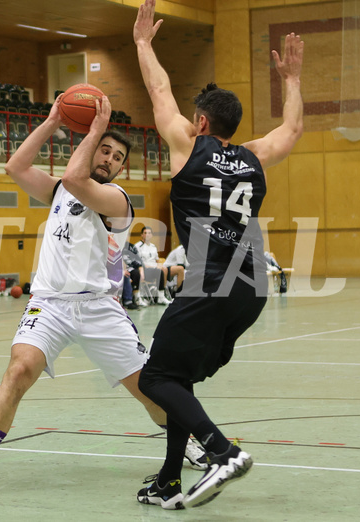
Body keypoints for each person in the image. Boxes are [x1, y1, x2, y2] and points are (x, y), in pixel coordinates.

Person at [0, 93, 206, 502]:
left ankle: (186, 442)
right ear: (88, 147)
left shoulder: (117, 201)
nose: (108, 159)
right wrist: (53, 120)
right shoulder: (58, 192)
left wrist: (96, 129)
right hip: (49, 303)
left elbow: (74, 179)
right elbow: (15, 166)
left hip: (99, 308)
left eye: (117, 156)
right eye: (103, 150)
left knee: (150, 390)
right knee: (17, 371)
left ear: (122, 167)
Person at [134, 0, 303, 509]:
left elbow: (159, 89)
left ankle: (222, 451)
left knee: (155, 378)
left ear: (202, 121)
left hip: (210, 281)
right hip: (253, 287)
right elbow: (291, 129)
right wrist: (291, 79)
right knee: (177, 375)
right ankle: (167, 478)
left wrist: (143, 44)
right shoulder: (255, 155)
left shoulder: (189, 145)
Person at [134, 226, 170, 305]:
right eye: (145, 233)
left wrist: (160, 265)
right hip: (145, 269)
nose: (147, 235)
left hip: (154, 268)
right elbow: (139, 262)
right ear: (142, 235)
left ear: (151, 235)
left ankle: (161, 296)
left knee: (163, 269)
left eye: (149, 233)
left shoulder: (153, 246)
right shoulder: (137, 246)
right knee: (160, 271)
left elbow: (157, 260)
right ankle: (161, 295)